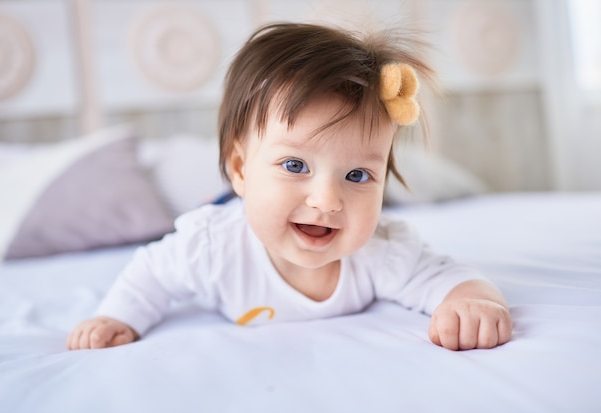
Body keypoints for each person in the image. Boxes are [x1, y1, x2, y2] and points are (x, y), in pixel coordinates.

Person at [67, 23, 512, 351]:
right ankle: (231, 197)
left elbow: (449, 279)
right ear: (240, 167)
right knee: (225, 211)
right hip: (232, 212)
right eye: (296, 164)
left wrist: (471, 302)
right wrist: (116, 317)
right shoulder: (209, 246)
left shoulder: (381, 252)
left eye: (357, 176)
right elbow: (150, 276)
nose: (327, 201)